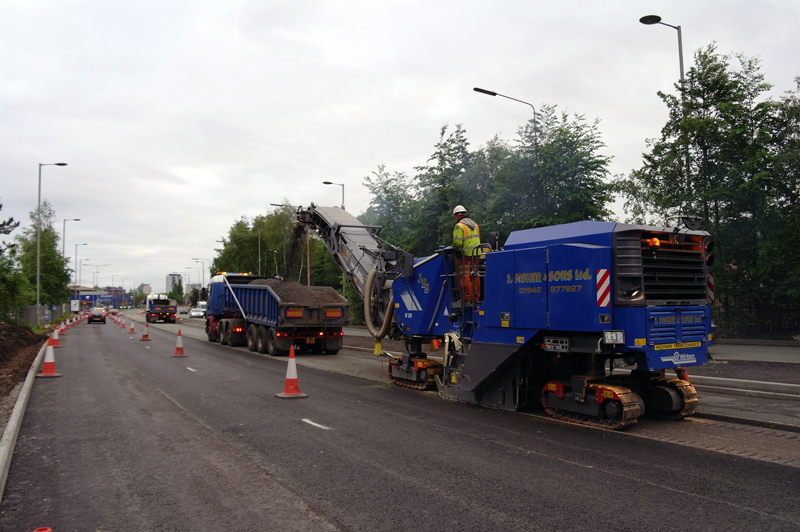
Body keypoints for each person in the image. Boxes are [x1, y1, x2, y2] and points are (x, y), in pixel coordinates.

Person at [452, 205, 482, 303]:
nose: (455, 218)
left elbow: (457, 243)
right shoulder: (475, 225)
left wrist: (455, 250)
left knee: (465, 276)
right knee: (475, 276)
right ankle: (476, 298)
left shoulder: (459, 226)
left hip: (465, 256)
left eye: (454, 216)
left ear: (458, 215)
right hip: (476, 255)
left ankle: (467, 299)